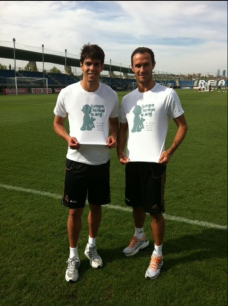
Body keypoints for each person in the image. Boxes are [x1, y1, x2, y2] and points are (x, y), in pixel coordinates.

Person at [117, 47, 188, 280]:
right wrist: (120, 149)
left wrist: (171, 151)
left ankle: (158, 253)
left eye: (146, 64)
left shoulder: (167, 94)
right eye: (137, 65)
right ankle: (139, 237)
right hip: (133, 162)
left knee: (155, 212)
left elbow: (182, 126)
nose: (142, 69)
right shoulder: (127, 99)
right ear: (132, 68)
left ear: (153, 65)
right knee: (136, 206)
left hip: (155, 163)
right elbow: (123, 128)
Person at [53, 44, 119, 283]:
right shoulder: (67, 93)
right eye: (88, 63)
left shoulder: (110, 94)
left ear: (102, 67)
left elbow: (114, 123)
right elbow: (57, 123)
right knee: (74, 210)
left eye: (97, 64)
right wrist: (66, 137)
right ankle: (73, 256)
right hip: (76, 162)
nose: (92, 68)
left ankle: (91, 246)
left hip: (101, 162)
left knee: (97, 207)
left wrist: (113, 136)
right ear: (81, 66)